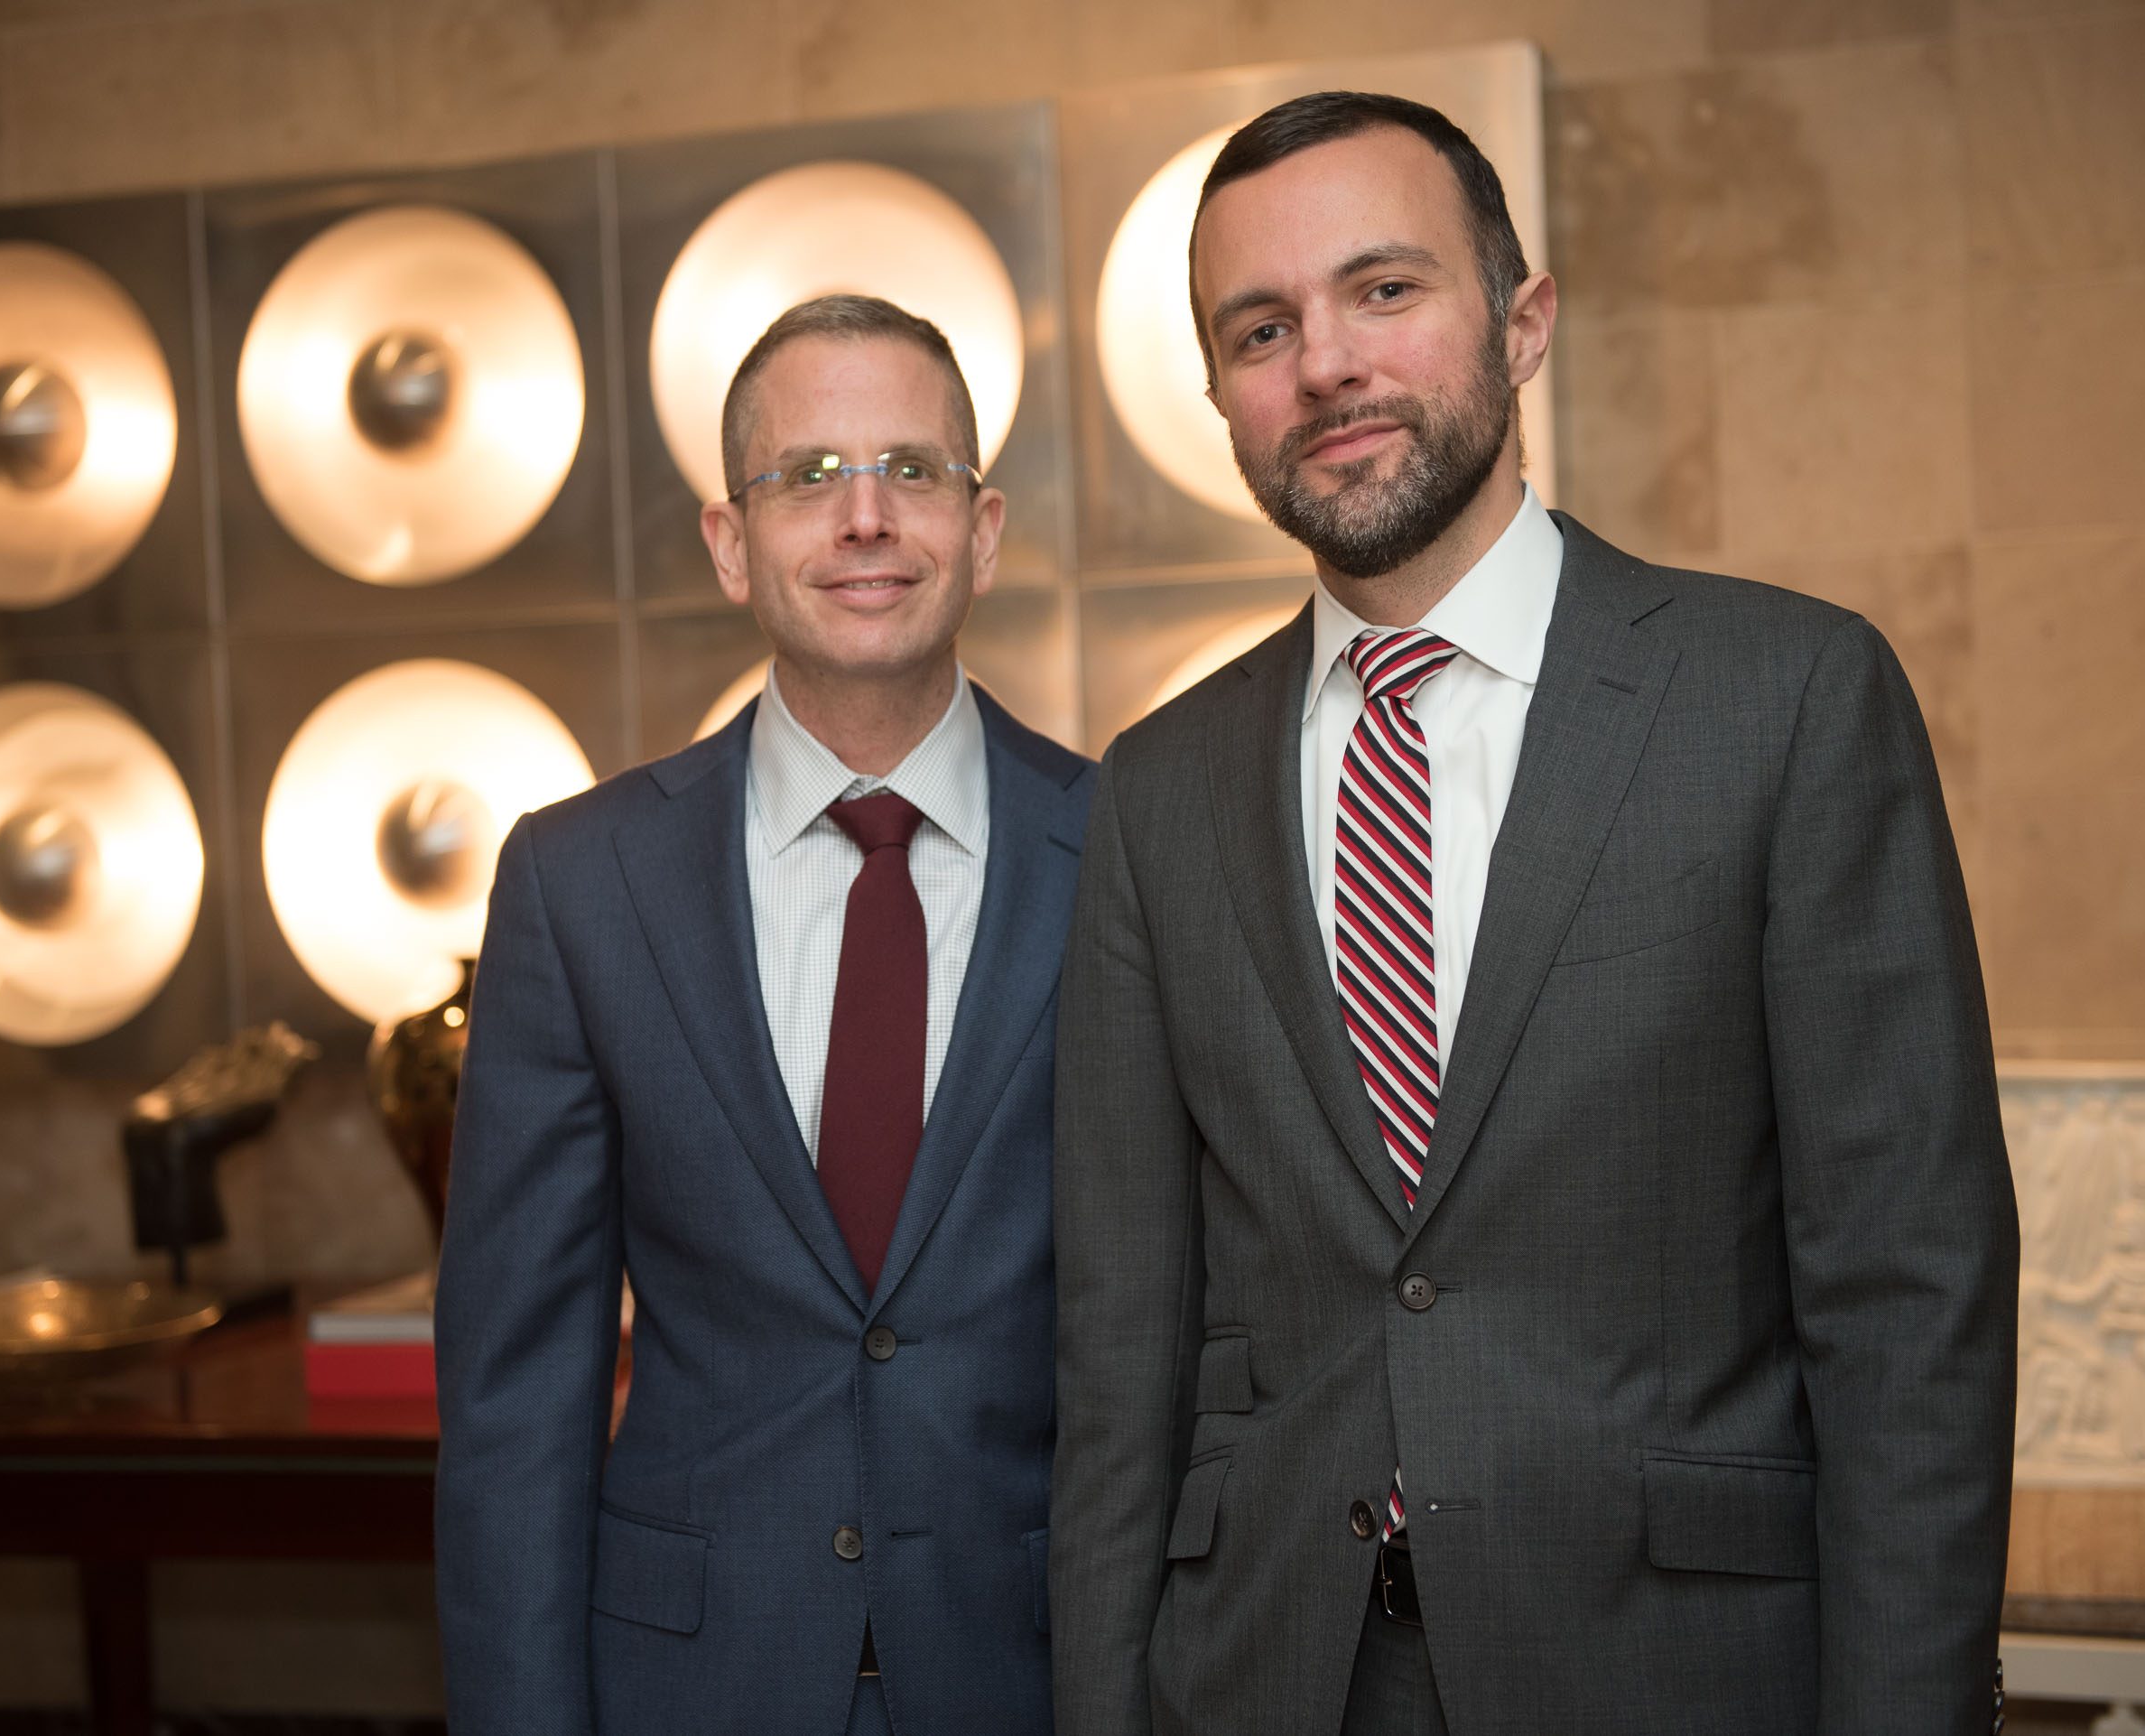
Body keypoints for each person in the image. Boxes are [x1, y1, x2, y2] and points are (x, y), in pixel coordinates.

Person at [1049, 90, 2018, 1735]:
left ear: (1523, 321)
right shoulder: (1157, 789)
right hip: (1270, 1677)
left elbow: (1909, 1297)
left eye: (1384, 289)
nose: (1325, 364)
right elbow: (1121, 1346)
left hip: (1676, 1676)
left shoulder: (1785, 700)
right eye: (1260, 329)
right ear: (1217, 396)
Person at [438, 293, 1091, 1735]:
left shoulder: (1123, 850)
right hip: (689, 1682)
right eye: (808, 477)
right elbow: (516, 1399)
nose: (866, 518)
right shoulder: (580, 881)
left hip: (1038, 1675)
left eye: (911, 469)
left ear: (983, 529)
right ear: (731, 544)